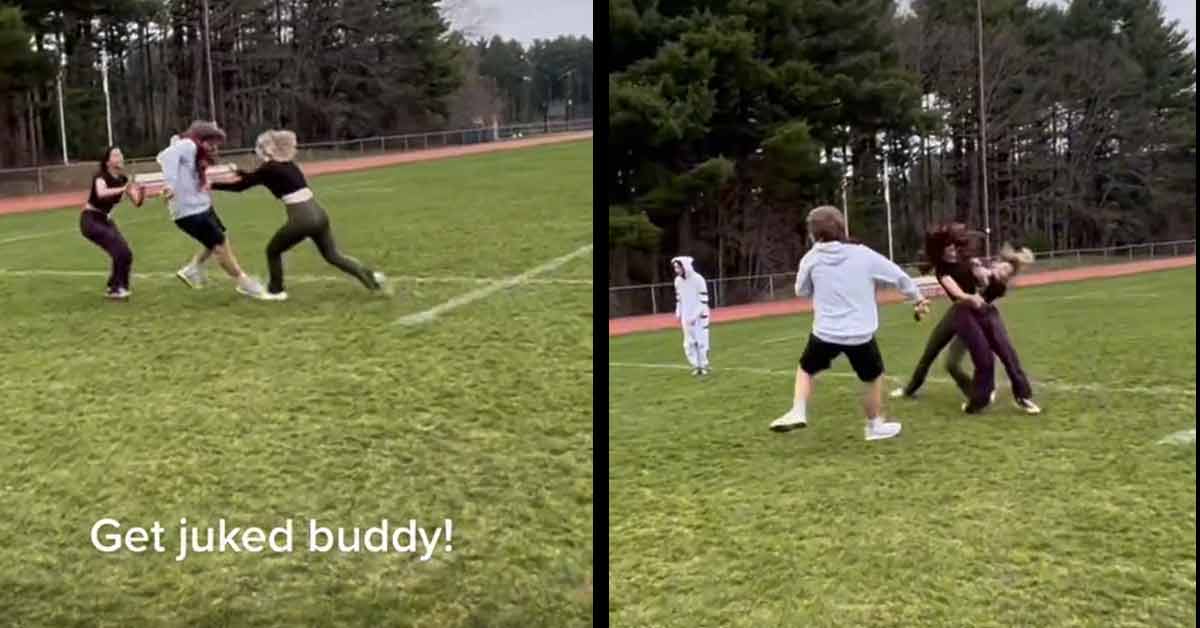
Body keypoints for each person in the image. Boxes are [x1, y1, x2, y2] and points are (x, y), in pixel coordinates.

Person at [769, 206, 930, 441]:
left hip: (825, 333)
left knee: (806, 369)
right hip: (860, 334)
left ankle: (798, 410)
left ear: (813, 234)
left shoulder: (811, 259)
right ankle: (874, 426)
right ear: (842, 228)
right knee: (873, 378)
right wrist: (918, 298)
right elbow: (898, 276)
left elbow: (801, 290)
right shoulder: (863, 254)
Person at [210, 130, 388, 300]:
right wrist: (240, 172)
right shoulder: (288, 165)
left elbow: (241, 186)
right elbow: (257, 177)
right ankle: (372, 280)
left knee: (273, 251)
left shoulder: (269, 168)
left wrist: (211, 184)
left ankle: (276, 290)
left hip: (302, 218)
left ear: (266, 149)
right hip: (319, 213)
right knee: (333, 255)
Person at [155, 120, 266, 298]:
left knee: (220, 236)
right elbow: (166, 156)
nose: (214, 147)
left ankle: (192, 269)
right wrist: (170, 185)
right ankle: (244, 282)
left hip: (201, 206)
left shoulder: (195, 151)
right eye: (212, 142)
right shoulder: (188, 145)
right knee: (219, 246)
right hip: (189, 211)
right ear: (201, 138)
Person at [944, 243, 1041, 414]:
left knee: (1008, 354)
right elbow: (970, 274)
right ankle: (979, 398)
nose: (1003, 272)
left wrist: (983, 274)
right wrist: (974, 266)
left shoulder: (999, 286)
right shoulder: (978, 269)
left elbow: (985, 283)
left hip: (986, 315)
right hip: (967, 318)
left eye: (1007, 273)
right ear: (997, 263)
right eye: (1003, 268)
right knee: (979, 360)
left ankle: (1023, 397)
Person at [79, 146, 141, 299]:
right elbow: (101, 193)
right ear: (107, 162)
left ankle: (116, 286)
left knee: (125, 253)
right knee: (119, 250)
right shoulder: (101, 176)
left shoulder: (123, 179)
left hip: (105, 219)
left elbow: (137, 201)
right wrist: (123, 189)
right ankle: (116, 288)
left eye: (121, 154)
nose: (120, 157)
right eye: (115, 155)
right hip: (90, 219)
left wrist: (141, 193)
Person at [670, 255, 710, 376]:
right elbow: (679, 298)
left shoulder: (698, 279)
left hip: (700, 315)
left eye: (678, 267)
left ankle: (703, 365)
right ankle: (695, 365)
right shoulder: (677, 281)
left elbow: (704, 300)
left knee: (701, 341)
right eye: (675, 267)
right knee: (689, 343)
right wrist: (679, 312)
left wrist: (695, 316)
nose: (676, 270)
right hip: (686, 315)